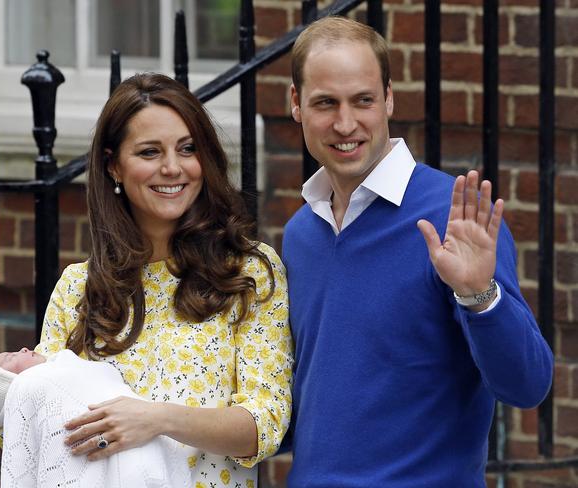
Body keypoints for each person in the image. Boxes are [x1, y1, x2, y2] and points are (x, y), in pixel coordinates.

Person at [282, 16, 553, 487]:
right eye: (326, 103)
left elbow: (527, 386)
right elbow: (307, 408)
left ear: (388, 97)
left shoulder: (456, 219)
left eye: (363, 100)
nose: (346, 123)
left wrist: (479, 295)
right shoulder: (300, 234)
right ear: (296, 104)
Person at [33, 73, 293, 488]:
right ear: (114, 165)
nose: (172, 168)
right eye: (150, 152)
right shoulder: (78, 288)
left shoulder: (248, 272)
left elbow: (266, 423)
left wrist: (156, 419)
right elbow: (29, 426)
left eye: (187, 149)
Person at [0, 347, 191, 487]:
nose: (25, 349)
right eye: (11, 357)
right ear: (12, 386)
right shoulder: (34, 386)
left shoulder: (64, 368)